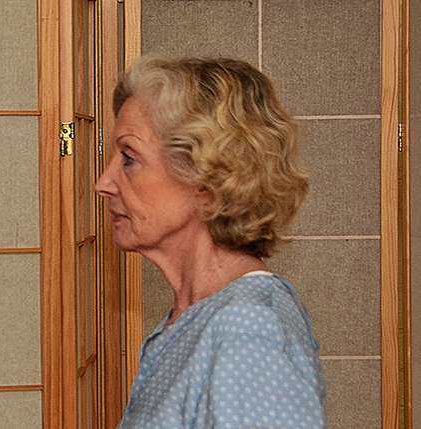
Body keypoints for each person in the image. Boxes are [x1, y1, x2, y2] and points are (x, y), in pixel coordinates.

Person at [96, 57, 326, 428]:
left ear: (206, 181)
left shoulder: (245, 328)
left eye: (128, 158)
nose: (103, 184)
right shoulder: (195, 315)